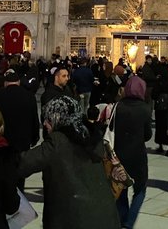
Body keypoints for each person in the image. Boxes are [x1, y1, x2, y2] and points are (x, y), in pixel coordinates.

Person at [19, 95, 120, 229]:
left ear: (58, 118)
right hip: (106, 216)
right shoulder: (93, 137)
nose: (44, 124)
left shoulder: (57, 142)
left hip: (74, 219)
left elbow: (22, 164)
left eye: (48, 119)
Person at [113, 75, 152, 229]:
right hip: (137, 155)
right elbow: (148, 135)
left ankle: (123, 219)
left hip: (119, 154)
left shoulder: (118, 107)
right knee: (140, 189)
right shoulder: (145, 108)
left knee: (121, 189)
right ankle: (129, 223)